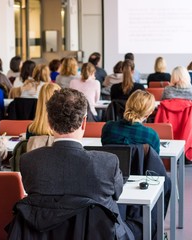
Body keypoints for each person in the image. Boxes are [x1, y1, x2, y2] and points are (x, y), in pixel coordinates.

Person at [19, 88, 134, 239]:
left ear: (49, 123)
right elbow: (117, 194)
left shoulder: (29, 162)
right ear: (84, 122)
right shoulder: (108, 163)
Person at [102, 89, 160, 154]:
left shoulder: (108, 128)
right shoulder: (151, 136)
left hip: (113, 164)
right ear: (148, 114)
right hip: (138, 164)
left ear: (127, 104)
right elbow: (154, 161)